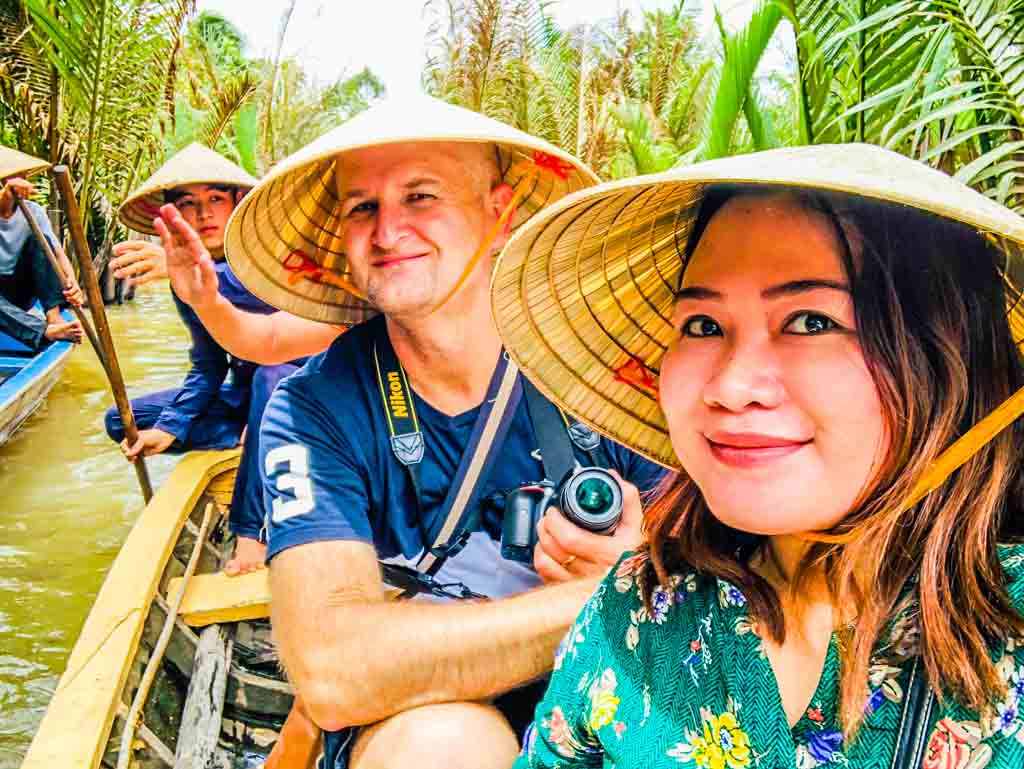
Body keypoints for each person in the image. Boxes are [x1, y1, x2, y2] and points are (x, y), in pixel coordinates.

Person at [158, 94, 667, 769]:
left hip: (611, 698)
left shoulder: (604, 373)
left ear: (500, 209)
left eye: (420, 196)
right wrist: (619, 592)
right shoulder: (314, 407)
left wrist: (650, 556)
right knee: (444, 743)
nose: (388, 230)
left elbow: (735, 570)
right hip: (423, 724)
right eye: (362, 206)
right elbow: (334, 669)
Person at [491, 144, 1024, 768]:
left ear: (946, 359)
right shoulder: (638, 610)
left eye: (811, 321)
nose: (730, 387)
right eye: (703, 326)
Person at [107, 143, 302, 575]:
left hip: (306, 394)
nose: (203, 215)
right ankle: (251, 434)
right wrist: (171, 427)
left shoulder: (276, 259)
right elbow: (210, 365)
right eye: (189, 204)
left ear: (236, 204)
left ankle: (253, 530)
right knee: (124, 420)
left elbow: (262, 314)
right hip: (252, 397)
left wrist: (199, 279)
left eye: (216, 199)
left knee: (273, 377)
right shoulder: (186, 280)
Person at [0, 147, 84, 347]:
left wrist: (72, 283)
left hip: (19, 288)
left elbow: (55, 252)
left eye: (22, 176)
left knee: (41, 240)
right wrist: (5, 198)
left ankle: (53, 317)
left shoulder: (34, 212)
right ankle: (44, 331)